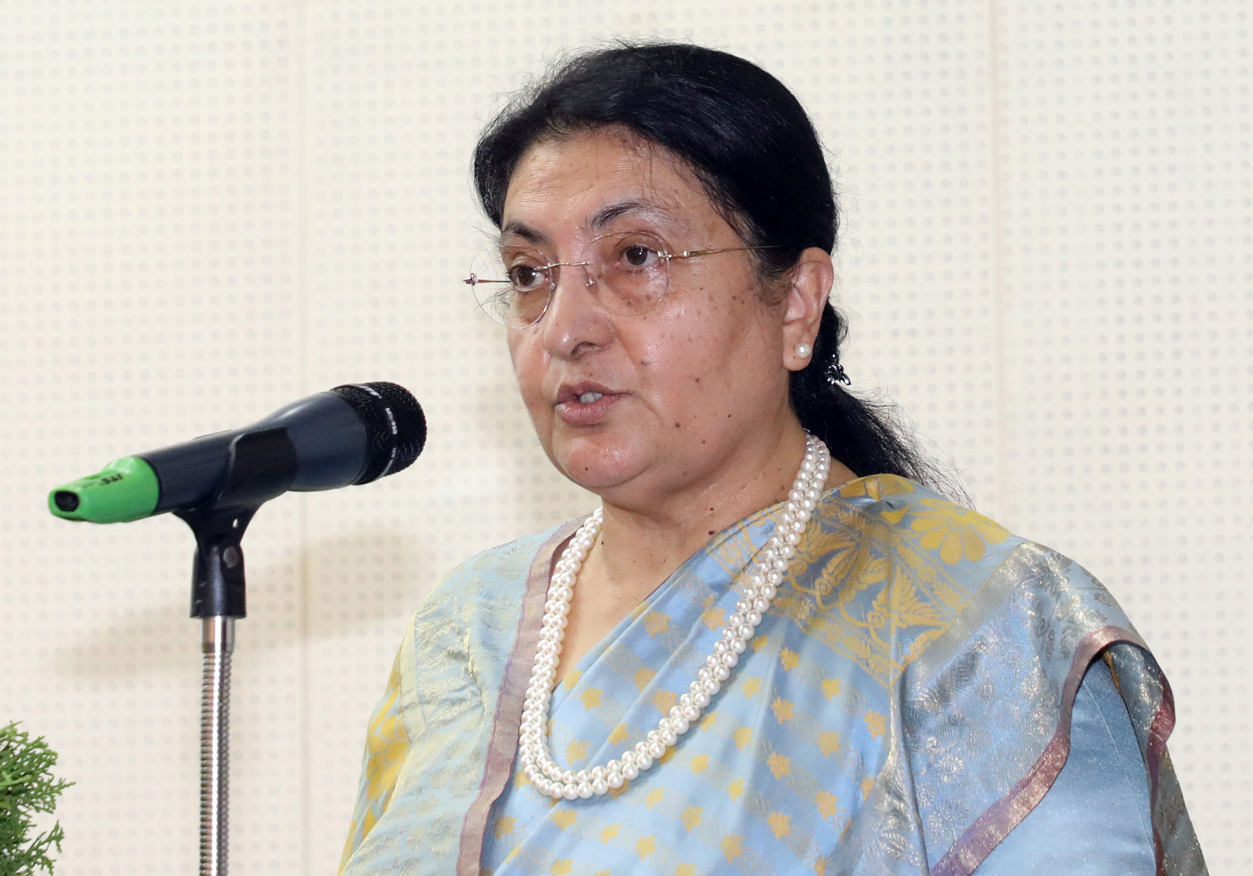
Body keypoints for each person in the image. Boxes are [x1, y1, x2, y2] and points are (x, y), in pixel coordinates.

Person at [338, 43, 1206, 876]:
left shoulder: (976, 635)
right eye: (530, 273)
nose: (565, 329)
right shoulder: (467, 634)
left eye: (636, 257)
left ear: (795, 304)